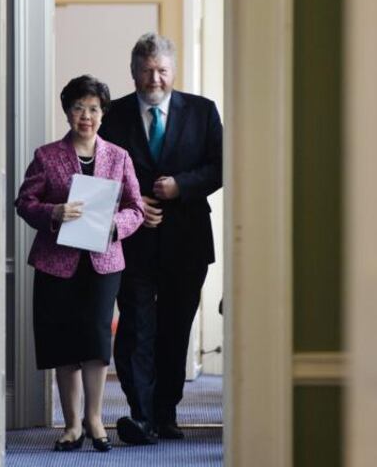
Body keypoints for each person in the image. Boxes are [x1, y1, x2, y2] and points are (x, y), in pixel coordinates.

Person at [99, 33, 223, 444]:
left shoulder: (202, 112)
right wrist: (132, 203)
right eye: (147, 70)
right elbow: (96, 172)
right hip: (132, 241)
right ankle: (141, 415)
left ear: (173, 70)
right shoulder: (112, 114)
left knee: (175, 328)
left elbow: (221, 166)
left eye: (162, 70)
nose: (155, 78)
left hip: (187, 241)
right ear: (134, 71)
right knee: (135, 327)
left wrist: (181, 187)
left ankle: (166, 412)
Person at [15, 74, 144, 452]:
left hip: (103, 263)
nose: (85, 116)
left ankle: (95, 419)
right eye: (77, 108)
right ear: (67, 112)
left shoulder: (118, 156)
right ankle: (71, 424)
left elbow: (135, 208)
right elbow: (24, 202)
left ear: (103, 113)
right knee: (62, 342)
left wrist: (113, 228)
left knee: (95, 341)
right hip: (56, 261)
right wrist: (53, 210)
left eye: (93, 109)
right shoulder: (46, 155)